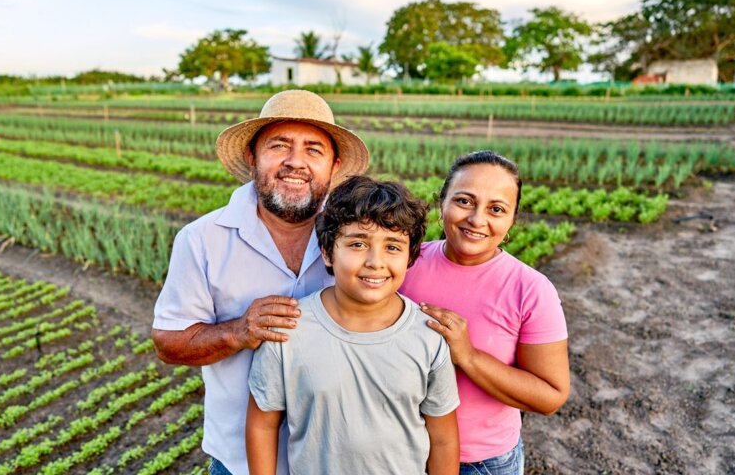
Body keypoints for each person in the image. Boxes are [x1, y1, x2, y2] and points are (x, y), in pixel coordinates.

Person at [151, 90, 370, 475]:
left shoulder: (359, 239)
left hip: (338, 460)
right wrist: (239, 331)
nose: (295, 162)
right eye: (279, 146)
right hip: (239, 462)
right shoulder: (203, 238)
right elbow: (169, 343)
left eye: (313, 150)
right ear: (253, 156)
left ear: (334, 165)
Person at [246, 176, 460, 475]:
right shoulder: (288, 330)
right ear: (327, 251)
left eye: (393, 247)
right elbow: (263, 425)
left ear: (410, 256)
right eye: (358, 243)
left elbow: (444, 440)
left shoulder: (427, 335)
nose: (376, 261)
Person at [399, 151, 570, 475]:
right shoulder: (404, 263)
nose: (477, 219)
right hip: (400, 451)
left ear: (511, 220)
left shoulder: (531, 289)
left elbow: (550, 396)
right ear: (442, 204)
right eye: (464, 201)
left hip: (480, 463)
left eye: (496, 209)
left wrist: (469, 356)